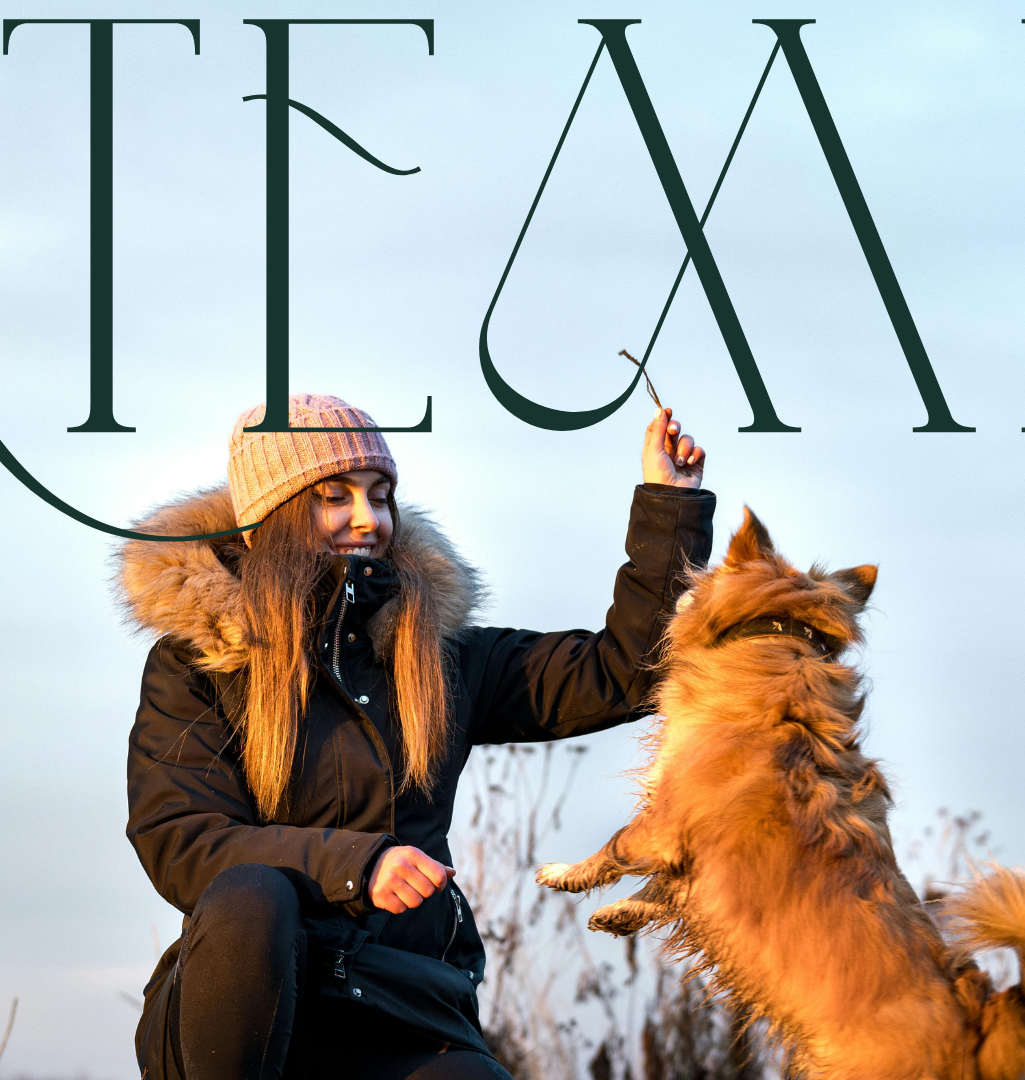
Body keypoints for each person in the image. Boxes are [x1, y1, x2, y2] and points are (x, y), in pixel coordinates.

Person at [117, 393, 715, 1080]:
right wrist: (360, 864)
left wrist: (670, 510)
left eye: (382, 495)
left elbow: (624, 673)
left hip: (402, 1013)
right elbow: (181, 839)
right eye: (334, 496)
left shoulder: (441, 657)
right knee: (253, 894)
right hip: (245, 1020)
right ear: (266, 521)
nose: (369, 519)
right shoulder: (196, 664)